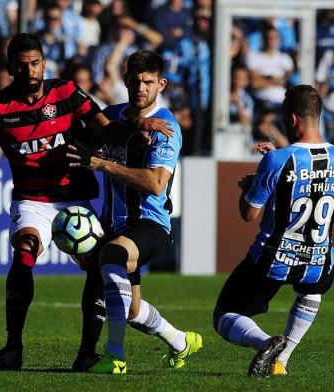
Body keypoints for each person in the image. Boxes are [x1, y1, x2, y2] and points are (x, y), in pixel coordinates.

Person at [0, 33, 172, 370]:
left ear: (44, 63)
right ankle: (13, 348)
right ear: (10, 69)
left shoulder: (65, 92)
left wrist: (137, 123)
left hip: (73, 199)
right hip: (32, 200)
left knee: (99, 264)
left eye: (35, 63)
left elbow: (106, 130)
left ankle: (87, 353)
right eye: (22, 66)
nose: (30, 71)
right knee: (25, 251)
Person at [67, 50, 202, 374]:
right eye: (135, 81)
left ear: (161, 84)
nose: (141, 87)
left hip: (150, 224)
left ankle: (114, 355)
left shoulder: (167, 127)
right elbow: (79, 139)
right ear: (125, 81)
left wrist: (102, 164)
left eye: (148, 82)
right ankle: (182, 342)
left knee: (110, 256)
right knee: (130, 309)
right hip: (114, 224)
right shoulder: (113, 117)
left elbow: (156, 184)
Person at [213, 85, 334, 377]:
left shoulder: (277, 160)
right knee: (311, 292)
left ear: (291, 120)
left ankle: (268, 343)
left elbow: (249, 213)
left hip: (273, 258)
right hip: (319, 258)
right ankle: (282, 361)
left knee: (224, 315)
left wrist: (247, 187)